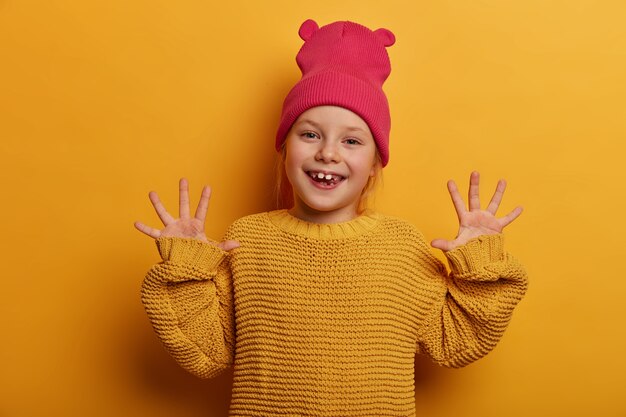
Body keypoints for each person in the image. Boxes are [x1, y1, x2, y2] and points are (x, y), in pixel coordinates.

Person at [134, 18, 528, 417]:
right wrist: (185, 271)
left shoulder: (403, 247)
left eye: (352, 140)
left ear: (375, 163)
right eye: (309, 134)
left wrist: (481, 263)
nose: (328, 153)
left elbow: (455, 342)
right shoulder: (247, 240)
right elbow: (207, 353)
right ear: (284, 149)